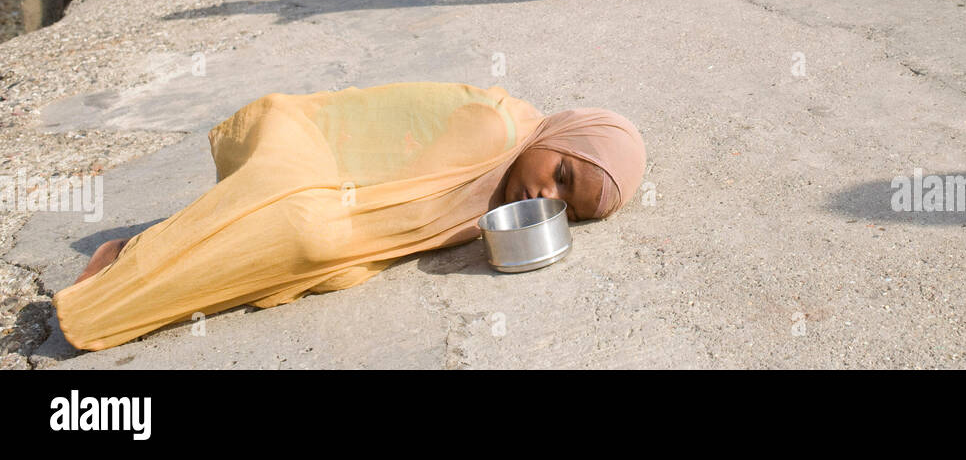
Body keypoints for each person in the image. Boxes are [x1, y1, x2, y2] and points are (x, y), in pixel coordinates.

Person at [53, 83, 646, 351]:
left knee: (325, 255)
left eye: (567, 209)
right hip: (288, 134)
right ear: (565, 132)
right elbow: (385, 211)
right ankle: (125, 268)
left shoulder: (507, 184)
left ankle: (163, 260)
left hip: (323, 178)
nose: (545, 194)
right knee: (311, 233)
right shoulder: (499, 129)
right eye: (561, 175)